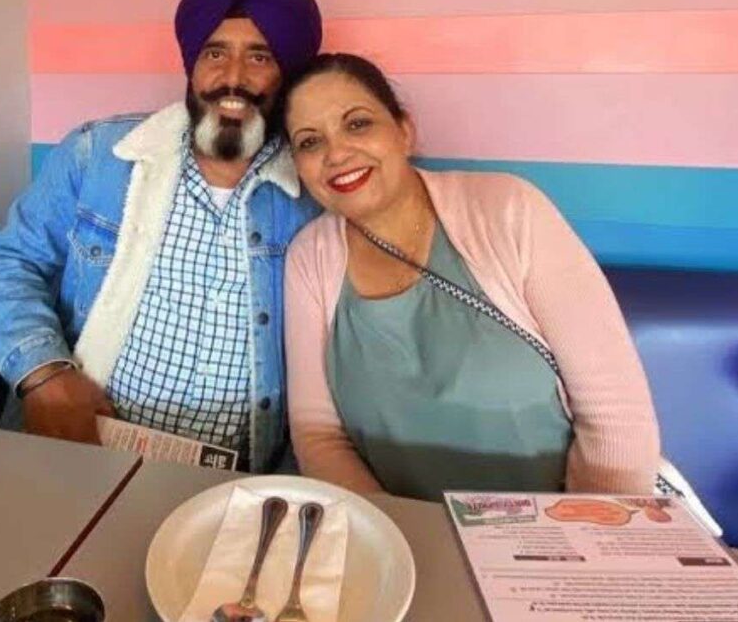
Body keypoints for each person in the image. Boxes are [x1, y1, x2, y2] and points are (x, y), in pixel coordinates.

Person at [0, 0, 323, 472]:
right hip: (78, 446)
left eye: (260, 56)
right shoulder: (98, 154)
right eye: (215, 53)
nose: (233, 77)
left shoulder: (313, 197)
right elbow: (9, 261)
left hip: (231, 482)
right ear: (191, 64)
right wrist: (45, 374)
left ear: (286, 74)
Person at [282, 53, 660, 499]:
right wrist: (392, 530)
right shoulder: (309, 258)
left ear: (404, 130)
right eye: (310, 142)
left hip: (559, 527)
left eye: (358, 124)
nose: (336, 154)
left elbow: (615, 414)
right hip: (397, 532)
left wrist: (587, 533)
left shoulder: (508, 211)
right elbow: (318, 433)